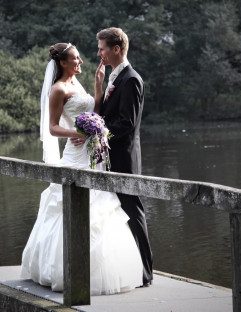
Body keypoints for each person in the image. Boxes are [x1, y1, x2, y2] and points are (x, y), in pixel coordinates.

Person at [20, 42, 143, 295]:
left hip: (93, 155)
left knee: (102, 207)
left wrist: (98, 87)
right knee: (66, 206)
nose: (80, 62)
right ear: (63, 63)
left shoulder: (78, 84)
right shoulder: (58, 89)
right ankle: (63, 270)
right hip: (75, 154)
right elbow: (53, 127)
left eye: (79, 58)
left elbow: (95, 113)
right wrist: (75, 132)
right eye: (75, 59)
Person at [95, 27, 153, 286]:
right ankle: (131, 269)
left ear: (116, 49)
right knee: (119, 214)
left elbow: (126, 123)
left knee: (133, 212)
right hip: (111, 159)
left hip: (125, 160)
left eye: (102, 48)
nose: (99, 53)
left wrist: (98, 136)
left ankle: (147, 273)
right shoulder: (115, 78)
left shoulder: (131, 79)